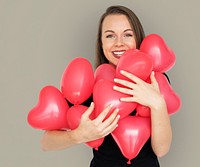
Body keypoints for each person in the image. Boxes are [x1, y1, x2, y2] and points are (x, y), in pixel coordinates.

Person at [41, 5, 172, 167]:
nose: (119, 43)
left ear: (138, 39)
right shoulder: (87, 85)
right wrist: (78, 135)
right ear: (101, 44)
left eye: (128, 35)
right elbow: (46, 143)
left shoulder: (154, 80)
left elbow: (161, 150)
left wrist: (157, 103)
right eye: (110, 36)